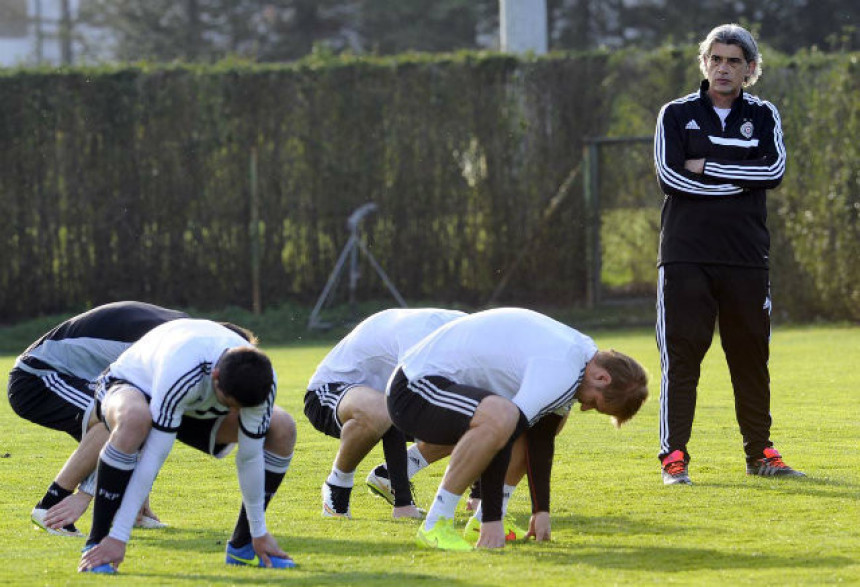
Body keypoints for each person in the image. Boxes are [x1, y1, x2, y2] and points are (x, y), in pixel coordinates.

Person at [653, 23, 804, 485]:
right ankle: (673, 456)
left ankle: (760, 453)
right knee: (682, 359)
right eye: (715, 59)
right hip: (685, 257)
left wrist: (709, 166)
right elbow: (669, 176)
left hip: (745, 257)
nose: (723, 68)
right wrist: (740, 178)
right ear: (704, 64)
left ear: (749, 70)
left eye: (733, 61)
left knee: (750, 357)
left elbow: (774, 170)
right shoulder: (675, 115)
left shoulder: (763, 116)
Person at [385, 307, 649, 551]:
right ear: (602, 377)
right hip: (413, 389)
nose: (586, 408)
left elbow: (541, 436)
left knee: (526, 417)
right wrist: (492, 519)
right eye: (595, 403)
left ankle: (479, 519)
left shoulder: (582, 356)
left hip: (441, 387)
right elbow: (506, 433)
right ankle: (435, 524)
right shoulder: (563, 368)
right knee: (501, 416)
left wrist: (541, 510)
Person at [77, 319, 297, 573]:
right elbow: (153, 456)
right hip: (135, 384)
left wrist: (260, 530)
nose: (236, 413)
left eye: (242, 408)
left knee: (283, 427)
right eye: (231, 404)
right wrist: (119, 536)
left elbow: (249, 458)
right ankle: (98, 543)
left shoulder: (263, 381)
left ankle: (244, 546)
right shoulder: (183, 368)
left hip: (196, 404)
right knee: (136, 419)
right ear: (216, 377)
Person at [8, 301, 189, 536]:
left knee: (137, 418)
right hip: (37, 377)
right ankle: (51, 505)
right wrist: (88, 492)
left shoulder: (181, 332)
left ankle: (129, 509)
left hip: (70, 375)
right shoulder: (166, 349)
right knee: (119, 419)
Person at [305, 308, 466, 519]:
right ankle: (337, 486)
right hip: (328, 392)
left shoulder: (464, 330)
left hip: (384, 402)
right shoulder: (419, 336)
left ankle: (389, 476)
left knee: (467, 418)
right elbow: (396, 404)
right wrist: (403, 503)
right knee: (382, 410)